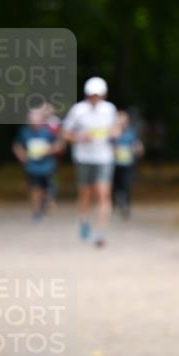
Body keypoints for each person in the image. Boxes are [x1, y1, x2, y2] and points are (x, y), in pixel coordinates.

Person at [62, 77, 120, 248]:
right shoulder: (78, 110)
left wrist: (113, 133)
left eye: (98, 95)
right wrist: (79, 137)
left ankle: (101, 232)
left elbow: (116, 129)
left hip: (104, 157)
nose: (95, 98)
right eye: (92, 95)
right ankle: (84, 220)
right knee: (85, 194)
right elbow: (65, 133)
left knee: (103, 194)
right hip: (83, 157)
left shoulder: (110, 110)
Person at [12, 105, 62, 220]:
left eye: (36, 118)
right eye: (32, 118)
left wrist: (48, 150)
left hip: (47, 165)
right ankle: (36, 210)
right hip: (31, 165)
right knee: (34, 188)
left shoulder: (48, 131)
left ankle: (45, 203)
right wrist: (22, 156)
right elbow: (17, 145)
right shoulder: (24, 131)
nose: (34, 121)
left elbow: (59, 145)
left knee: (46, 188)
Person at [112, 110, 144, 217]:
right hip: (113, 164)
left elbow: (137, 145)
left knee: (126, 185)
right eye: (119, 120)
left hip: (127, 163)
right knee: (114, 185)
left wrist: (137, 149)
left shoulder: (131, 132)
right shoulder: (111, 132)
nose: (122, 122)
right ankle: (113, 204)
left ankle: (126, 205)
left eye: (124, 120)